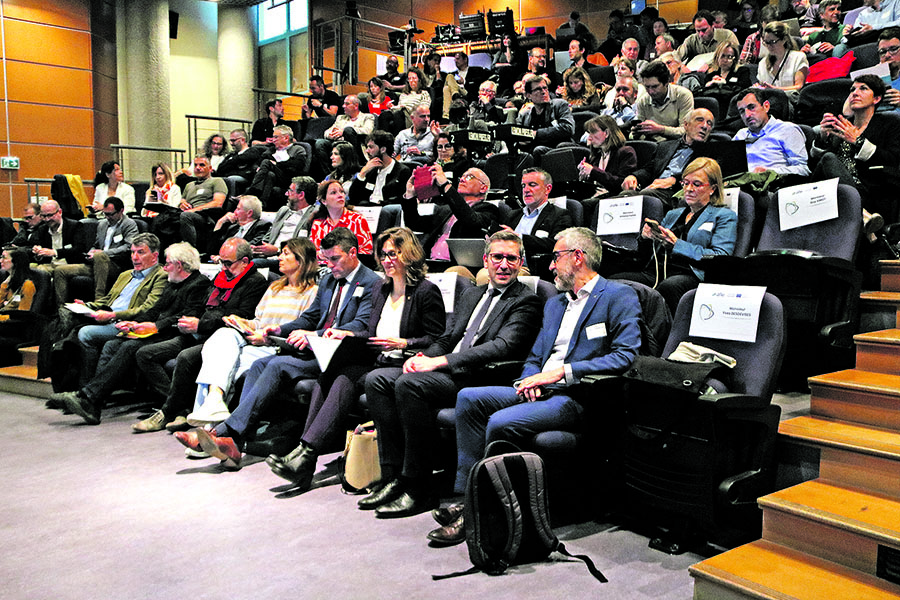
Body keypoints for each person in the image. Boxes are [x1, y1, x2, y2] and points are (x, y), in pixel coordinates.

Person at [444, 227, 642, 538]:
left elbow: (626, 356)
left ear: (577, 257)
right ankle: (466, 495)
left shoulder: (618, 296)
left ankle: (483, 512)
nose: (550, 266)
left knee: (500, 421)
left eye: (555, 257)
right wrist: (529, 379)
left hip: (577, 396)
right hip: (541, 389)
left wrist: (561, 372)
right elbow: (535, 356)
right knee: (469, 398)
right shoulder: (555, 304)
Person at [360, 241, 542, 523]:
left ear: (521, 263)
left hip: (479, 377)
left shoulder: (526, 300)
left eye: (512, 258)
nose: (504, 265)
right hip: (449, 371)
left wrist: (439, 362)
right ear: (485, 260)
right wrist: (422, 357)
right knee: (377, 380)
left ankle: (419, 486)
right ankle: (394, 476)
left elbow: (502, 346)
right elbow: (448, 338)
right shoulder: (472, 293)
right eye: (497, 257)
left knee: (409, 385)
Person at [265, 227, 445, 506]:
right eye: (383, 254)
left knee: (349, 378)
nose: (387, 260)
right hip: (378, 360)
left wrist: (403, 343)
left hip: (405, 363)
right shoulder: (381, 288)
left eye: (394, 254)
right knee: (333, 373)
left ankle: (307, 456)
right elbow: (370, 333)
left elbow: (437, 339)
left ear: (409, 255)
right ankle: (304, 453)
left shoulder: (425, 291)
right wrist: (347, 335)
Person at [177, 227, 379, 460]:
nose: (330, 265)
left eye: (335, 259)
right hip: (316, 350)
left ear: (353, 252)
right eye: (326, 259)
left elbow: (360, 324)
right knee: (259, 365)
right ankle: (234, 441)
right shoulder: (329, 280)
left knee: (276, 364)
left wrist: (314, 334)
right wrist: (280, 329)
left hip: (342, 355)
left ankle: (224, 434)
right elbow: (311, 316)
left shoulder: (372, 282)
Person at [52, 243, 211, 431]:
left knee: (131, 348)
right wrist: (134, 323)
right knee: (113, 344)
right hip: (160, 331)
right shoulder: (173, 282)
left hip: (179, 334)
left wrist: (155, 326)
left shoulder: (199, 284)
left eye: (167, 263)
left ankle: (90, 398)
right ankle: (93, 402)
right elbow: (155, 310)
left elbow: (187, 316)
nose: (165, 267)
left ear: (179, 265)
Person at [133, 237, 268, 431]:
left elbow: (240, 316)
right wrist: (189, 321)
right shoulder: (221, 277)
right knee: (145, 353)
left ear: (245, 261)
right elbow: (203, 306)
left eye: (228, 263)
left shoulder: (255, 282)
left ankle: (168, 412)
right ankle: (182, 410)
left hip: (224, 338)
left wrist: (200, 325)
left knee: (185, 357)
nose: (223, 268)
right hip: (199, 332)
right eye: (221, 262)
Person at [185, 237, 319, 426]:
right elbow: (258, 321)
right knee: (222, 335)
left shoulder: (313, 293)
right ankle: (213, 402)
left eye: (285, 253)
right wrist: (242, 322)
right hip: (254, 340)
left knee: (223, 366)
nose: (279, 258)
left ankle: (210, 426)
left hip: (274, 347)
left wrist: (267, 339)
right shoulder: (275, 287)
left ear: (301, 259)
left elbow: (300, 330)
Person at [48, 233, 168, 419]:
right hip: (107, 317)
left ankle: (85, 394)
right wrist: (88, 305)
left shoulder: (160, 276)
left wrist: (113, 315)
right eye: (132, 252)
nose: (135, 257)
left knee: (86, 334)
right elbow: (108, 300)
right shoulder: (125, 274)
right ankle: (85, 396)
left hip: (126, 322)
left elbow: (147, 307)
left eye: (141, 252)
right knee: (59, 328)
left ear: (155, 255)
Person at [612, 157, 737, 312]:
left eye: (696, 184)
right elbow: (649, 256)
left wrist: (677, 245)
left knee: (669, 287)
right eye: (685, 183)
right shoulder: (673, 214)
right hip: (657, 272)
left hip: (691, 275)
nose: (688, 189)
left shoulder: (724, 216)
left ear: (713, 188)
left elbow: (720, 258)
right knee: (614, 281)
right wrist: (646, 238)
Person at [814, 74, 900, 200]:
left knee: (829, 158)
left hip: (870, 188)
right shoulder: (843, 125)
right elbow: (822, 166)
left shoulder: (890, 123)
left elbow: (892, 160)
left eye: (863, 88)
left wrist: (858, 141)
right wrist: (823, 139)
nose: (855, 93)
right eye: (852, 90)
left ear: (876, 99)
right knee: (827, 159)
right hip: (834, 189)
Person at [51, 197, 139, 304]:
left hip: (116, 264)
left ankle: (98, 300)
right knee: (60, 271)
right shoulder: (102, 224)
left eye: (111, 214)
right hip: (95, 263)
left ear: (121, 211)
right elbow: (96, 245)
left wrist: (103, 253)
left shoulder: (129, 224)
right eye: (105, 214)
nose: (107, 217)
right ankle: (61, 308)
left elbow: (129, 246)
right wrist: (91, 252)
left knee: (99, 256)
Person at [400, 166, 498, 261]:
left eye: (469, 177)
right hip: (430, 262)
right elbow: (414, 223)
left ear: (483, 188)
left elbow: (469, 219)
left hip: (458, 265)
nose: (462, 180)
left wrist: (445, 185)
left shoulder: (489, 209)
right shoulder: (445, 210)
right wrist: (410, 195)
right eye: (461, 177)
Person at [622, 108, 716, 206]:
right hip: (654, 187)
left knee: (646, 196)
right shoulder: (665, 146)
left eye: (709, 123)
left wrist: (674, 180)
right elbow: (650, 169)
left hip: (679, 192)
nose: (705, 126)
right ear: (686, 125)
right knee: (625, 195)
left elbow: (703, 175)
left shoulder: (710, 151)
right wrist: (634, 176)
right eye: (699, 120)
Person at [733, 89, 811, 176]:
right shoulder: (740, 135)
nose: (747, 115)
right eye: (742, 111)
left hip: (773, 182)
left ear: (766, 106)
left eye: (751, 107)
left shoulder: (787, 130)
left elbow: (803, 169)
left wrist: (770, 172)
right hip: (741, 182)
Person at [252, 176, 319, 270]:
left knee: (254, 264)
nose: (286, 194)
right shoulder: (284, 211)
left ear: (301, 195)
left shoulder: (313, 215)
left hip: (290, 260)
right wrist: (258, 248)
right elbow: (268, 237)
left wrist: (277, 250)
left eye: (290, 191)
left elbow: (304, 247)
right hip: (268, 257)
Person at [246, 124, 309, 210]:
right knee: (270, 174)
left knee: (266, 162)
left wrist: (277, 165)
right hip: (272, 177)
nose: (273, 140)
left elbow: (298, 164)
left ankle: (251, 191)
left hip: (288, 177)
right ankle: (263, 204)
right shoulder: (272, 150)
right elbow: (257, 163)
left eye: (276, 137)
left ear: (286, 138)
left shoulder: (298, 149)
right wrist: (258, 169)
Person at [313, 95, 375, 180]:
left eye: (347, 104)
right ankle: (329, 175)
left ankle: (351, 169)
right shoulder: (340, 118)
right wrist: (331, 134)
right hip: (337, 143)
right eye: (343, 104)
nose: (343, 106)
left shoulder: (367, 117)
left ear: (356, 106)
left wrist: (343, 132)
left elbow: (368, 131)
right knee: (320, 143)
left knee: (348, 130)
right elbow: (327, 132)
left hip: (354, 146)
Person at [632, 60, 695, 141]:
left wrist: (661, 130)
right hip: (652, 144)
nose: (650, 91)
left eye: (655, 87)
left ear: (666, 82)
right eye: (647, 87)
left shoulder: (683, 95)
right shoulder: (643, 101)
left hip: (675, 143)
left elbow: (686, 131)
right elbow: (636, 134)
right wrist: (636, 133)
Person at [577, 115, 639, 197]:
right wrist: (584, 176)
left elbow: (621, 184)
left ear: (606, 133)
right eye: (589, 133)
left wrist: (593, 171)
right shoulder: (596, 156)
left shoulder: (626, 152)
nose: (589, 138)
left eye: (593, 132)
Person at [516, 74, 576, 155]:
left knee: (538, 150)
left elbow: (568, 128)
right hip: (533, 151)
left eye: (545, 88)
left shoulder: (559, 105)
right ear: (528, 95)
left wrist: (536, 134)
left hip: (558, 149)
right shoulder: (525, 115)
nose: (543, 92)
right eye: (538, 89)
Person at [348, 130, 412, 206]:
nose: (367, 151)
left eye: (370, 147)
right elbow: (353, 197)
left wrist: (379, 204)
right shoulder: (370, 169)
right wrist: (362, 173)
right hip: (367, 209)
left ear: (383, 149)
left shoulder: (402, 171)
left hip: (387, 209)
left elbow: (402, 199)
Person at [310, 180, 373, 255]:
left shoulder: (357, 220)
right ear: (324, 201)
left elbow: (367, 251)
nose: (340, 195)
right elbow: (312, 254)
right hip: (324, 262)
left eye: (342, 191)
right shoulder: (318, 223)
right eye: (333, 192)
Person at [178, 154, 228, 248]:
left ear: (210, 168)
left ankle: (190, 250)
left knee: (185, 216)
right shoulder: (189, 185)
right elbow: (182, 201)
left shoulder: (217, 181)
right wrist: (182, 204)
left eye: (202, 165)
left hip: (205, 216)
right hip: (188, 213)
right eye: (195, 165)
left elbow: (218, 203)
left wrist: (193, 210)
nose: (198, 168)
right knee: (164, 218)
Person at [30, 199, 90, 273]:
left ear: (60, 212)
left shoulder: (75, 226)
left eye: (50, 215)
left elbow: (79, 249)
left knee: (59, 270)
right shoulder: (42, 229)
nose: (47, 219)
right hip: (50, 264)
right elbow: (33, 245)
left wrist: (54, 252)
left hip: (70, 264)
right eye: (44, 216)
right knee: (33, 268)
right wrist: (37, 251)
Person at [697, 42, 752, 118]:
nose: (725, 60)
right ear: (717, 57)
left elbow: (744, 89)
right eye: (722, 56)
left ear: (734, 59)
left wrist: (724, 83)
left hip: (734, 110)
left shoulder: (742, 71)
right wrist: (709, 85)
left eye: (729, 57)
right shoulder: (711, 76)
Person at [207, 195, 271, 256]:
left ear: (249, 213)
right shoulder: (232, 228)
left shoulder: (262, 226)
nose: (234, 212)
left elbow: (249, 248)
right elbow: (212, 250)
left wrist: (225, 256)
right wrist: (220, 222)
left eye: (238, 209)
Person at [756, 21, 808, 93]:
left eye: (773, 42)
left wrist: (775, 89)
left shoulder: (798, 57)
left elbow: (799, 87)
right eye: (766, 42)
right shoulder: (762, 64)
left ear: (784, 40)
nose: (769, 46)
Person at [675, 11, 740, 64]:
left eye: (704, 30)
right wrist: (680, 66)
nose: (701, 34)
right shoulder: (691, 40)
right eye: (698, 31)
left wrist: (710, 64)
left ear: (713, 25)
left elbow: (737, 56)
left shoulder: (727, 35)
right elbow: (676, 56)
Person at [214, 129, 263, 195]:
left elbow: (246, 165)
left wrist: (231, 164)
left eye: (233, 140)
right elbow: (220, 168)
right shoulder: (231, 155)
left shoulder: (252, 151)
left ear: (242, 140)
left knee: (230, 180)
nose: (231, 143)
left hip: (245, 179)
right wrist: (234, 163)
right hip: (229, 177)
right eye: (230, 140)